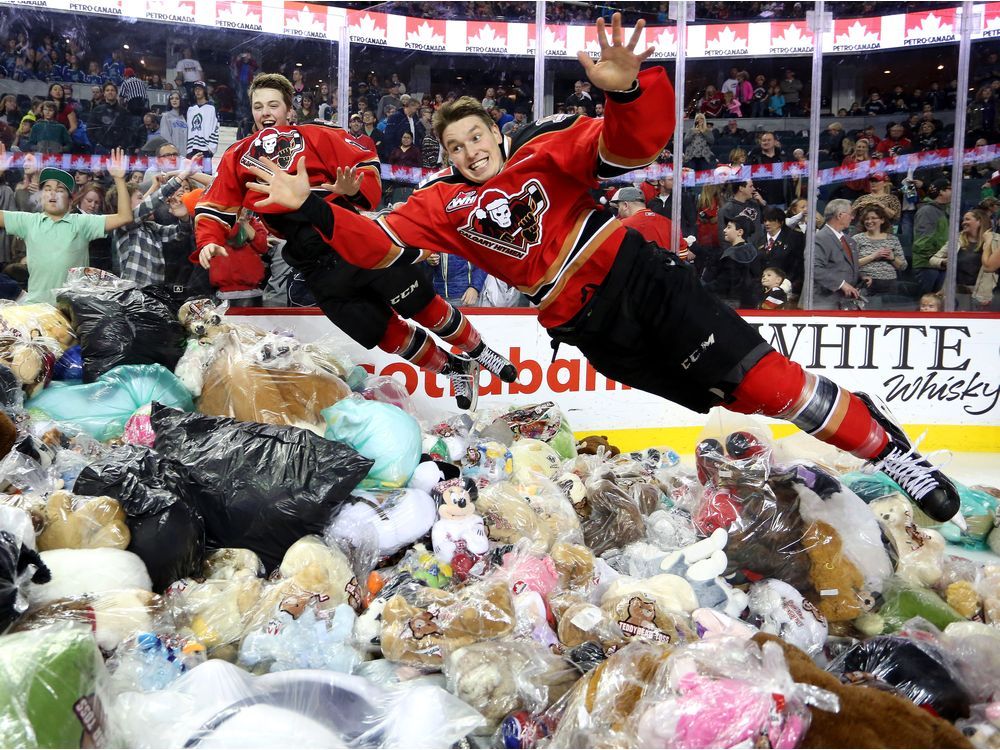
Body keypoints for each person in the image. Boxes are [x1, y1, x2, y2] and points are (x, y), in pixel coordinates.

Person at [244, 14, 964, 525]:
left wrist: (628, 90)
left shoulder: (544, 147)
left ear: (497, 131)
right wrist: (310, 208)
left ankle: (891, 454)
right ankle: (869, 425)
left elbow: (632, 145)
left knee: (763, 380)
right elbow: (375, 243)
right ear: (444, 157)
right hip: (586, 325)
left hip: (637, 276)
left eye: (476, 137)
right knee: (733, 399)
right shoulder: (439, 204)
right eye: (455, 147)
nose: (469, 152)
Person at [193, 73, 516, 411]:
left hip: (350, 235)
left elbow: (365, 168)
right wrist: (208, 240)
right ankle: (456, 369)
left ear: (291, 110)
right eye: (258, 106)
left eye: (273, 104)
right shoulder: (239, 155)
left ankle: (481, 352)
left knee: (420, 302)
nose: (265, 112)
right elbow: (217, 203)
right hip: (313, 263)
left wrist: (352, 190)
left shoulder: (318, 135)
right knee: (384, 334)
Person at [0, 146, 133, 302]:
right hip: (37, 307)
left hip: (72, 310)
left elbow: (124, 217)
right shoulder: (28, 222)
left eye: (60, 190)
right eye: (47, 188)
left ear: (70, 202)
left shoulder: (82, 222)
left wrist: (119, 179)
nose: (52, 193)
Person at [930, 208, 1000, 310]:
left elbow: (991, 266)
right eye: (963, 220)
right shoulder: (956, 239)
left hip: (984, 295)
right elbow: (933, 259)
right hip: (957, 293)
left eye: (967, 219)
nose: (964, 222)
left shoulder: (996, 240)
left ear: (979, 221)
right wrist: (944, 262)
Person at [813, 199, 871, 310]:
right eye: (851, 214)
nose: (853, 218)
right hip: (825, 303)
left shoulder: (850, 241)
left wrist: (861, 276)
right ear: (840, 215)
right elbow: (814, 268)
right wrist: (841, 284)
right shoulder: (820, 238)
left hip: (846, 303)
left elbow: (845, 266)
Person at [610, 186, 690, 261]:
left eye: (618, 206)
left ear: (625, 205)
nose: (618, 211)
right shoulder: (669, 222)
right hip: (667, 273)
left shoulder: (621, 225)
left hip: (638, 274)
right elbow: (682, 254)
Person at [851, 201, 907, 298]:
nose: (869, 221)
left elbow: (903, 266)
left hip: (889, 283)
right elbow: (851, 264)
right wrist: (873, 256)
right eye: (866, 219)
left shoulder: (892, 239)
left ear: (882, 220)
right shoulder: (857, 239)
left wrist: (892, 258)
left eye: (873, 218)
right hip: (866, 282)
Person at [704, 216, 761, 309]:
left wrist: (702, 288)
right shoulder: (754, 252)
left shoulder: (731, 256)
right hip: (749, 303)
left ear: (740, 232)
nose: (724, 230)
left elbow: (723, 283)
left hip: (729, 304)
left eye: (729, 227)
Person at [912, 177, 951, 294]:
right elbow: (923, 242)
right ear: (941, 192)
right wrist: (936, 259)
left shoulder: (944, 210)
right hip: (927, 265)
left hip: (939, 264)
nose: (953, 192)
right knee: (925, 304)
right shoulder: (927, 211)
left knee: (936, 304)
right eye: (950, 189)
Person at [759, 205, 803, 294]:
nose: (767, 223)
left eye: (771, 220)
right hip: (762, 289)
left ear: (781, 222)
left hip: (787, 287)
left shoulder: (794, 238)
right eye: (765, 221)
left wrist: (787, 283)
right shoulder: (758, 239)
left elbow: (797, 264)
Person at [717, 178, 765, 248]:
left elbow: (769, 221)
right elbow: (723, 238)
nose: (754, 189)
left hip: (759, 250)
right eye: (750, 186)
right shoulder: (726, 210)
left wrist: (763, 204)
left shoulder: (755, 203)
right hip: (741, 253)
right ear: (741, 188)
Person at [186, 82, 219, 173]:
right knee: (191, 175)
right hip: (191, 148)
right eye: (196, 89)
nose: (197, 91)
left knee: (207, 175)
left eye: (200, 89)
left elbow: (215, 128)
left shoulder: (211, 108)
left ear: (204, 91)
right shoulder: (190, 109)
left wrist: (211, 148)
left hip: (205, 149)